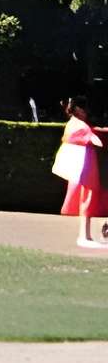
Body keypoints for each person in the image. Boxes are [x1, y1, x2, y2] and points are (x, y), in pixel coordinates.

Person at [61, 98, 103, 251]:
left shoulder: (73, 123)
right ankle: (84, 236)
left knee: (86, 200)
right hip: (85, 168)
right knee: (87, 200)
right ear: (78, 110)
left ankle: (86, 235)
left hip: (81, 168)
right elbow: (96, 141)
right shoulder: (79, 125)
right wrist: (93, 136)